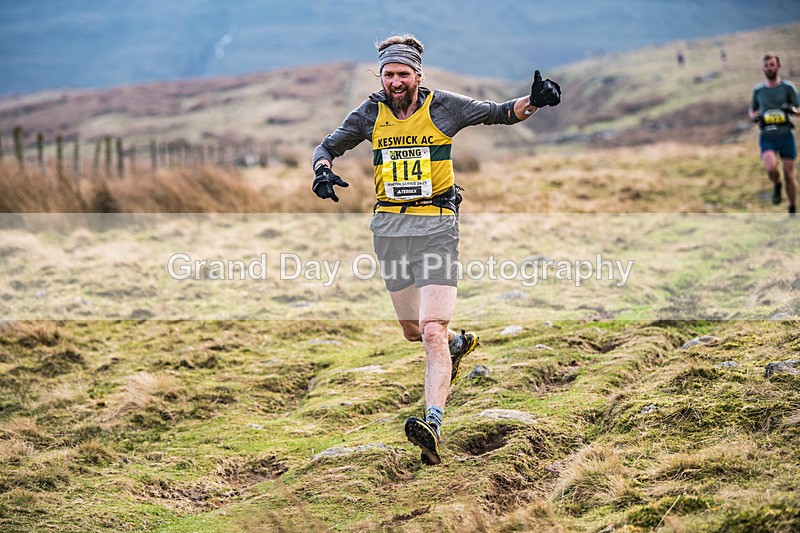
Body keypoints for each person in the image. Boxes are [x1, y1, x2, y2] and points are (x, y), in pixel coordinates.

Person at [311, 34, 561, 465]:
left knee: (430, 328)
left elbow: (501, 113)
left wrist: (533, 101)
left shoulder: (443, 106)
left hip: (436, 224)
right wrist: (322, 172)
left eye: (402, 74)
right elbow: (327, 147)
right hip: (389, 227)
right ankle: (457, 343)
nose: (395, 82)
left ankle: (432, 421)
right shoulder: (370, 112)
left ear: (417, 75)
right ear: (381, 75)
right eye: (388, 74)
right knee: (413, 331)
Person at [748, 52, 800, 215]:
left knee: (789, 174)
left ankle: (792, 206)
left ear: (778, 66)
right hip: (767, 136)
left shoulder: (788, 88)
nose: (769, 68)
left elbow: (798, 109)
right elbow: (752, 110)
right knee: (771, 168)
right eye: (766, 65)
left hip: (785, 136)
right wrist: (754, 116)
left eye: (772, 65)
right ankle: (776, 184)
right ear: (762, 68)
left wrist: (791, 110)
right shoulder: (758, 91)